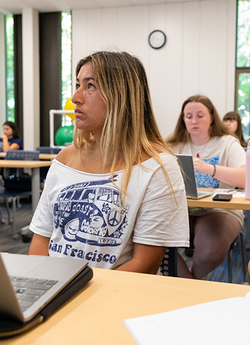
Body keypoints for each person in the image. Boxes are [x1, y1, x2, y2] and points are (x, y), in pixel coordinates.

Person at [28, 51, 189, 274]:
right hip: (55, 291)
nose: (75, 97)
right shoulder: (65, 159)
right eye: (77, 84)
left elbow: (146, 264)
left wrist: (72, 290)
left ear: (121, 95)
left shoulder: (157, 166)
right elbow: (41, 240)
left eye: (90, 85)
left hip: (112, 298)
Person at [167, 94, 246, 279]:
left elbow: (245, 178)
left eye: (200, 115)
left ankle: (189, 284)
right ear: (183, 119)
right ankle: (191, 286)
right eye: (188, 116)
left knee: (209, 251)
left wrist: (210, 169)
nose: (194, 120)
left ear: (211, 118)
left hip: (220, 210)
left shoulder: (227, 142)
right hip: (182, 210)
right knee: (154, 240)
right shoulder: (173, 145)